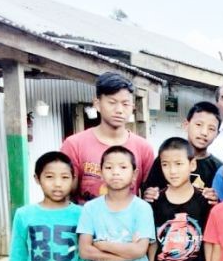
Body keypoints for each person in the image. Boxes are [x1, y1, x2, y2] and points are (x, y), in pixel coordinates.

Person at [61, 72, 155, 204]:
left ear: (132, 107)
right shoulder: (74, 145)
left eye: (125, 104)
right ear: (97, 104)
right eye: (112, 102)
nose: (119, 110)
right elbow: (64, 194)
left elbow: (149, 193)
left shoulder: (144, 148)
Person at [142, 101, 222, 202]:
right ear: (186, 125)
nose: (204, 132)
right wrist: (149, 194)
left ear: (217, 134)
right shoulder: (166, 158)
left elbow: (222, 202)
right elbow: (149, 191)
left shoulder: (218, 168)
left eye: (211, 128)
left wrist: (216, 200)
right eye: (198, 124)